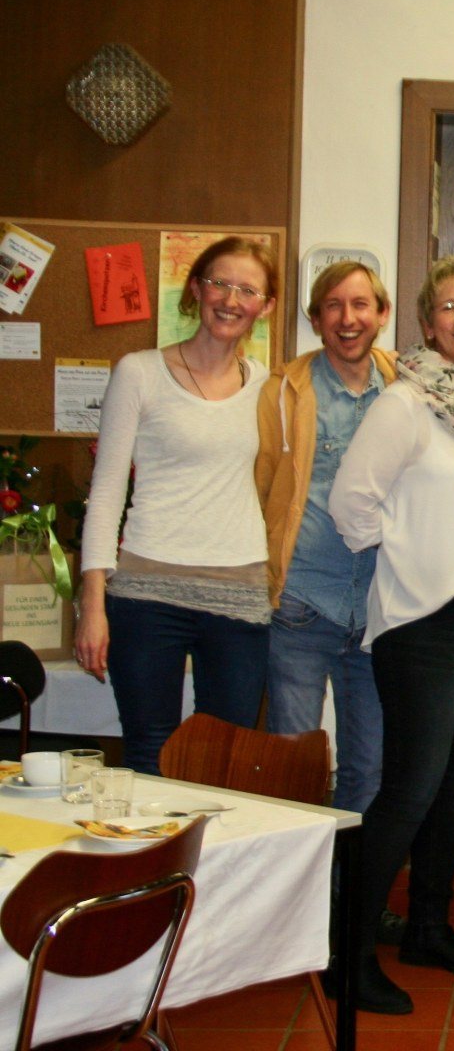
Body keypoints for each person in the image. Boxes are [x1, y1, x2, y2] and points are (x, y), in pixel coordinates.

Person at [329, 253, 454, 1014]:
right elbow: (353, 505)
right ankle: (345, 955)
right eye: (447, 306)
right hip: (423, 622)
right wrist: (411, 555)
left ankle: (428, 929)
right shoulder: (405, 403)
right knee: (408, 789)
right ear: (425, 322)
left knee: (453, 786)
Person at [76, 235, 277, 773]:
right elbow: (106, 495)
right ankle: (152, 860)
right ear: (195, 289)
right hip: (146, 593)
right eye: (219, 283)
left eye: (247, 289)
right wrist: (92, 606)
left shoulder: (271, 387)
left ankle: (210, 861)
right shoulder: (138, 372)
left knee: (225, 760)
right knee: (150, 752)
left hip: (240, 594)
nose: (231, 299)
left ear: (266, 305)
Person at [256, 260, 397, 817]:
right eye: (333, 306)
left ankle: (352, 898)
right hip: (301, 606)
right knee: (293, 766)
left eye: (361, 304)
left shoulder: (409, 389)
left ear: (381, 315)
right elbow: (261, 485)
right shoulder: (283, 392)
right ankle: (300, 901)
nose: (348, 318)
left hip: (381, 611)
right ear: (315, 320)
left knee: (372, 766)